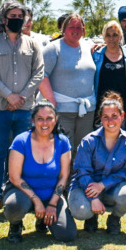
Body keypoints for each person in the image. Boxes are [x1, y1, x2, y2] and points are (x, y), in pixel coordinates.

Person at [0, 1, 45, 208]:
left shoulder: (33, 44)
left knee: (21, 153)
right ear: (4, 19)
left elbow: (39, 73)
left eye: (20, 16)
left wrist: (21, 96)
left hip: (25, 109)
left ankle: (19, 193)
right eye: (12, 16)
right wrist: (9, 96)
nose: (17, 20)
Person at [3, 101, 77, 243]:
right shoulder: (21, 141)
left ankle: (43, 220)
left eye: (49, 118)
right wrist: (36, 201)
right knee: (14, 207)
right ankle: (15, 224)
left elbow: (64, 176)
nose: (45, 123)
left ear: (56, 119)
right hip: (23, 193)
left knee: (67, 235)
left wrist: (53, 204)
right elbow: (14, 177)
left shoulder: (63, 142)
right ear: (33, 120)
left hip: (51, 194)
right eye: (40, 119)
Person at [69, 93, 126, 235]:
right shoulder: (89, 141)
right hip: (85, 187)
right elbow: (82, 172)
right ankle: (91, 216)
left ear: (122, 116)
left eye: (114, 116)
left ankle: (114, 218)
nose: (110, 121)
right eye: (106, 117)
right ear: (100, 119)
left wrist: (102, 185)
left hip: (112, 188)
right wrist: (94, 198)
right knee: (81, 211)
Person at [39, 13, 97, 155]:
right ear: (64, 29)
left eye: (79, 27)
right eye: (72, 27)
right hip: (62, 109)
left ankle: (80, 170)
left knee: (84, 149)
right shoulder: (53, 48)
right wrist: (51, 100)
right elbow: (41, 75)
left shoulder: (87, 47)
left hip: (87, 110)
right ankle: (65, 171)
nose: (76, 30)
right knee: (64, 149)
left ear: (83, 30)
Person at [92, 20, 126, 129]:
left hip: (125, 107)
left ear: (121, 36)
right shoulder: (96, 55)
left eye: (115, 35)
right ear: (104, 37)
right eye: (108, 35)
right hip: (101, 108)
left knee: (122, 137)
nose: (111, 38)